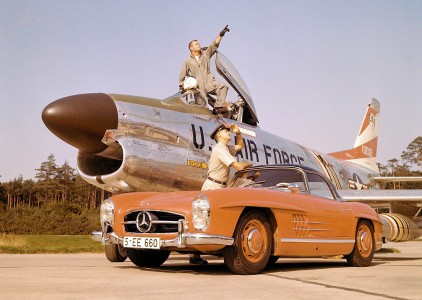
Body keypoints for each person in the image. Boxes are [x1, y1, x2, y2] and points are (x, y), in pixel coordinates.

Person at [190, 122, 252, 265]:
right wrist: (250, 165)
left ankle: (199, 253)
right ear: (219, 134)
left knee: (207, 219)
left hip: (219, 187)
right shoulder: (220, 149)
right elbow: (237, 166)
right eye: (226, 131)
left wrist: (238, 133)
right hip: (213, 186)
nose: (228, 133)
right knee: (203, 219)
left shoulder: (225, 148)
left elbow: (240, 146)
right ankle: (195, 255)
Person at [179, 25, 231, 115]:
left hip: (209, 83)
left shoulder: (205, 54)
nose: (198, 45)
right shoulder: (187, 61)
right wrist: (183, 90)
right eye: (196, 44)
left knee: (223, 87)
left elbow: (214, 45)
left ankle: (217, 108)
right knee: (201, 111)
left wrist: (220, 35)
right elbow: (182, 77)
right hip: (199, 88)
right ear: (191, 48)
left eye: (198, 43)